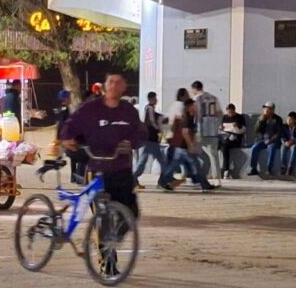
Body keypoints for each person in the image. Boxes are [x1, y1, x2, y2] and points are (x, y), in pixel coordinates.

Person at [59, 73, 147, 217]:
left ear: (124, 86)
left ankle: (114, 237)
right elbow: (71, 124)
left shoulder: (129, 111)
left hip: (121, 169)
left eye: (118, 82)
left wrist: (132, 143)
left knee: (131, 213)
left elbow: (140, 131)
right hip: (97, 168)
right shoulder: (90, 108)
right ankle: (101, 238)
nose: (114, 85)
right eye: (110, 82)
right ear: (105, 85)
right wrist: (67, 138)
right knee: (101, 215)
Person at [158, 99, 216, 192]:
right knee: (196, 165)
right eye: (194, 106)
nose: (196, 108)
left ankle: (163, 181)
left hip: (180, 146)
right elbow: (185, 131)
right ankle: (205, 185)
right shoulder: (187, 117)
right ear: (189, 107)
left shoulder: (188, 116)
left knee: (175, 165)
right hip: (183, 147)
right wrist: (191, 145)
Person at [133, 91, 166, 188]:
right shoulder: (150, 108)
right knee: (162, 161)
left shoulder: (148, 108)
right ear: (151, 99)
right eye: (155, 98)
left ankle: (134, 179)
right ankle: (163, 180)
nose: (156, 100)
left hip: (150, 139)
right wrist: (158, 129)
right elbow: (152, 122)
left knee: (143, 161)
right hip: (151, 139)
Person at [191, 81, 222, 181]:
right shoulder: (214, 98)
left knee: (193, 153)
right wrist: (216, 125)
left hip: (200, 130)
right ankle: (217, 178)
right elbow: (220, 113)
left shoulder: (196, 99)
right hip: (212, 130)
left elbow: (194, 115)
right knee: (214, 155)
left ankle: (195, 176)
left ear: (195, 88)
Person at [248, 102, 284, 177]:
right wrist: (260, 121)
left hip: (273, 141)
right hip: (262, 139)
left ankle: (269, 168)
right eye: (265, 108)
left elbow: (279, 133)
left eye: (268, 108)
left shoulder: (278, 119)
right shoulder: (262, 118)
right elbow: (256, 130)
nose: (266, 110)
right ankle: (253, 168)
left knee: (271, 148)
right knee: (255, 148)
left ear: (272, 110)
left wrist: (270, 140)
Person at [219, 103, 246, 179]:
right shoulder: (224, 117)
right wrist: (221, 127)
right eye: (228, 112)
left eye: (231, 112)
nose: (230, 114)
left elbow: (243, 130)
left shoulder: (239, 117)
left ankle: (226, 170)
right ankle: (221, 169)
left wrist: (237, 126)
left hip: (235, 139)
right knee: (218, 145)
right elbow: (221, 128)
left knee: (225, 147)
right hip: (225, 137)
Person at [280, 112, 296, 176]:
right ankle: (283, 167)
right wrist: (285, 142)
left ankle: (290, 168)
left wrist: (293, 141)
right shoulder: (284, 126)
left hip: (294, 143)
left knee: (293, 148)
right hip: (286, 142)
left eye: (290, 119)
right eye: (287, 119)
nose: (288, 120)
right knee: (283, 148)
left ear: (295, 120)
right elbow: (281, 136)